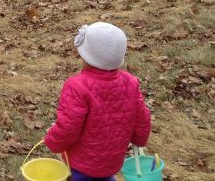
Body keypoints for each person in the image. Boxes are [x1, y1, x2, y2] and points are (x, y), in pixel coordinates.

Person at [44, 22, 152, 181]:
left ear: (85, 55)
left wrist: (53, 142)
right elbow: (142, 118)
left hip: (81, 163)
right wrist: (139, 139)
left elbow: (69, 126)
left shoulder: (76, 86)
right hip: (112, 160)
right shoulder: (130, 82)